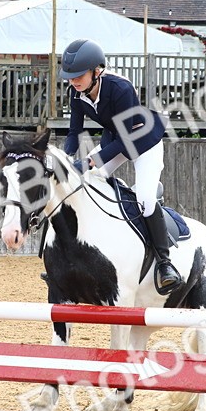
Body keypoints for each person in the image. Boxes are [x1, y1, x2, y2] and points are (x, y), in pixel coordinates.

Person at [59, 38, 182, 295]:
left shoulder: (120, 88)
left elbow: (128, 141)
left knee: (145, 199)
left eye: (78, 75)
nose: (73, 81)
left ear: (97, 71)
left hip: (143, 142)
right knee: (83, 183)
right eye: (70, 77)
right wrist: (65, 158)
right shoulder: (77, 92)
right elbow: (74, 132)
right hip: (115, 140)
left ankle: (164, 263)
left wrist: (90, 161)